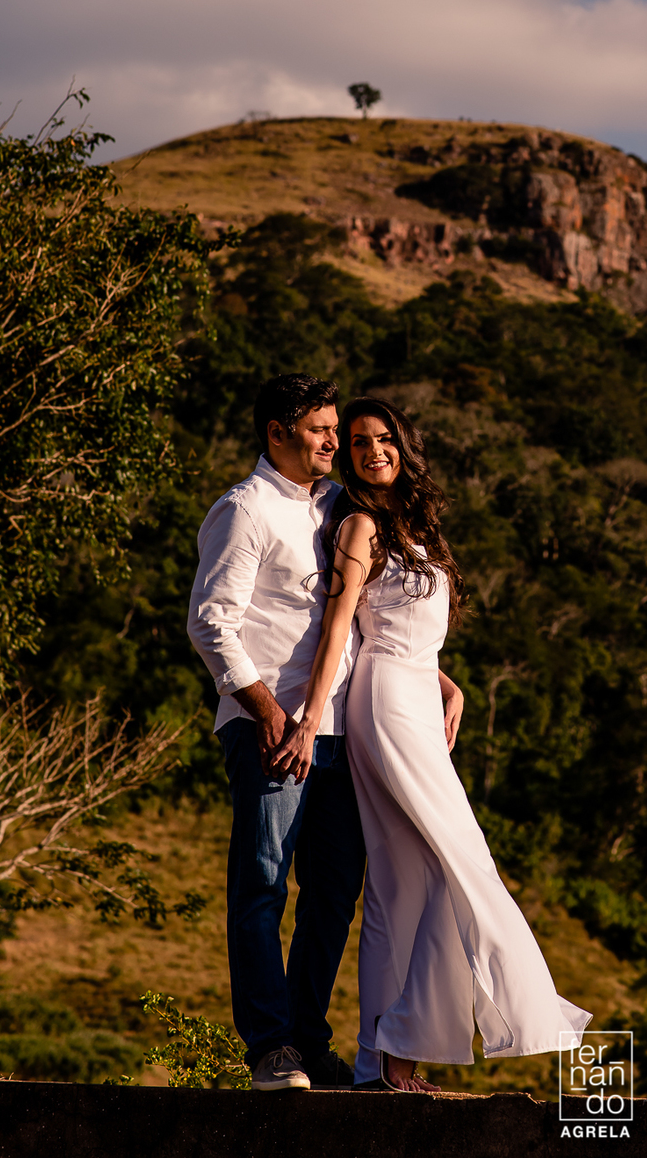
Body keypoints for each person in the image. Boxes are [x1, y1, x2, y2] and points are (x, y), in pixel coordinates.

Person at [274, 395, 590, 1093]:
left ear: (404, 445)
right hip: (384, 705)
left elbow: (409, 627)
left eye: (383, 438)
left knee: (403, 886)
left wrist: (450, 683)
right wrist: (309, 718)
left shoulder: (414, 527)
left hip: (417, 691)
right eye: (358, 443)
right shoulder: (360, 525)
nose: (372, 451)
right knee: (459, 861)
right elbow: (343, 628)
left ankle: (380, 1063)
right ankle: (415, 1040)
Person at [187, 373, 465, 1092]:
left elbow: (368, 614)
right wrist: (271, 715)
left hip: (344, 729)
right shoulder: (244, 510)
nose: (334, 443)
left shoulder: (342, 505)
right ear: (277, 433)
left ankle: (310, 1042)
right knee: (262, 884)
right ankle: (270, 1048)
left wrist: (436, 677)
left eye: (335, 430)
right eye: (320, 430)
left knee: (335, 894)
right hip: (271, 728)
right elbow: (211, 624)